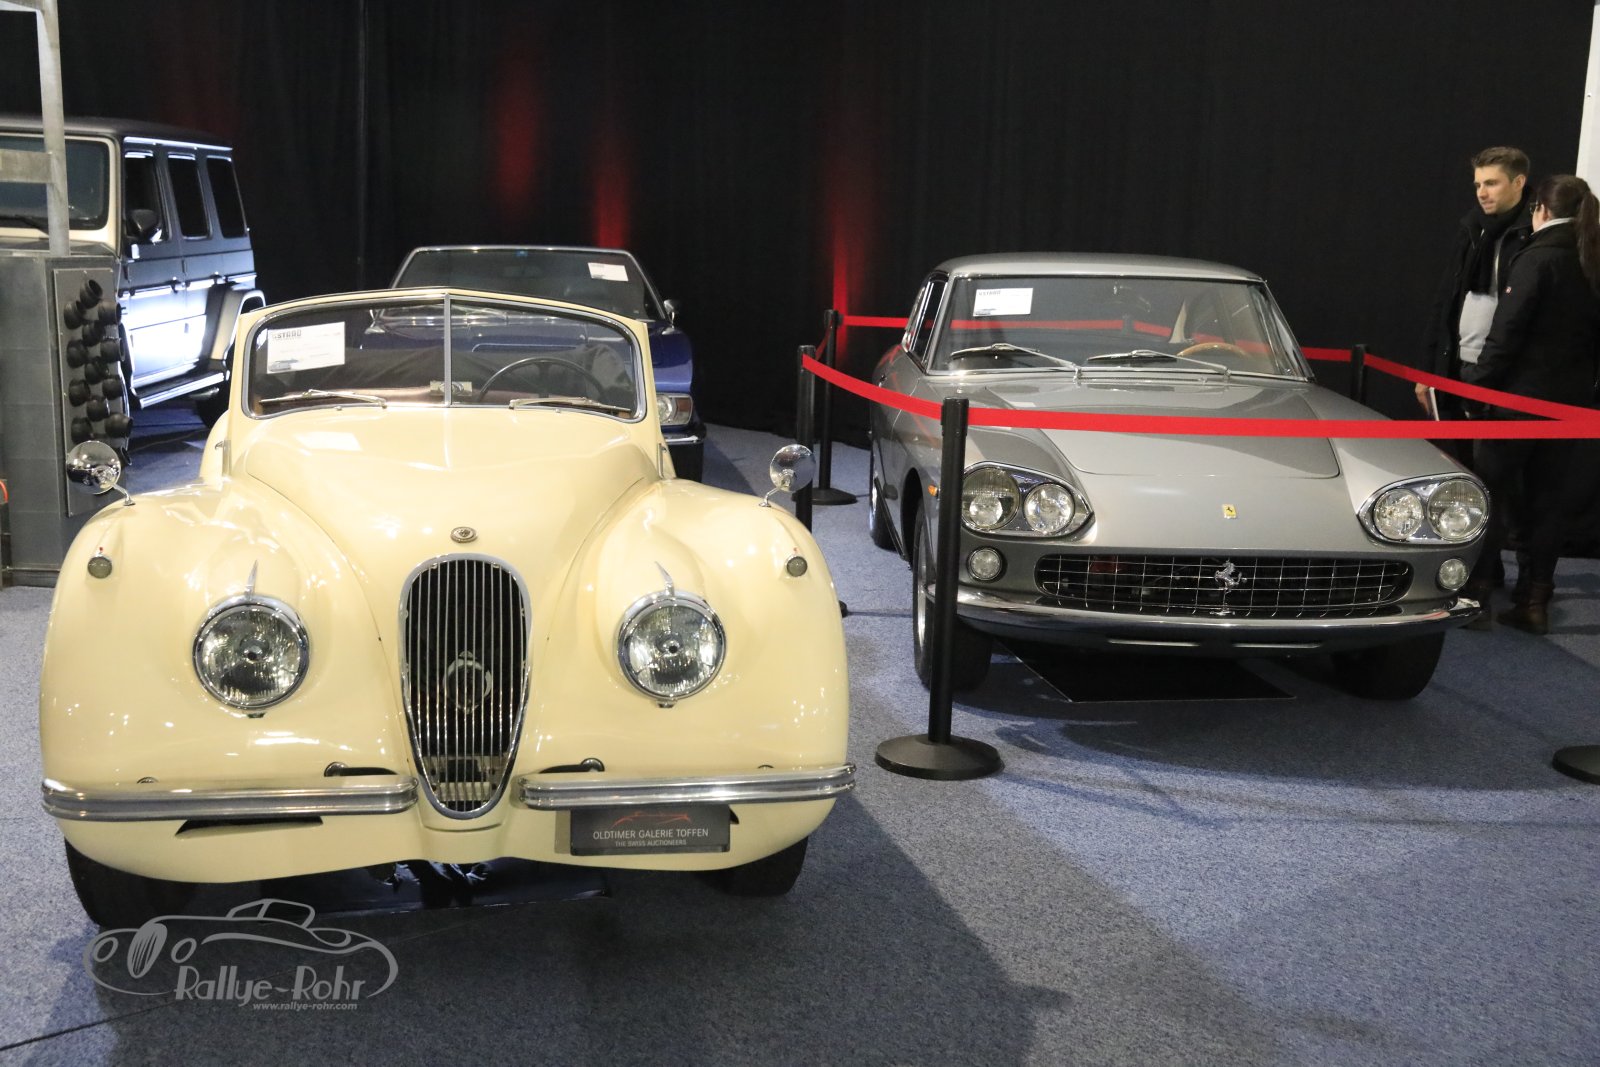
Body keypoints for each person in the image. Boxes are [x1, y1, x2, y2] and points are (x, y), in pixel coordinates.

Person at [1463, 174, 1600, 634]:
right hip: (1570, 405)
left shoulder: (1538, 257)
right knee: (1548, 502)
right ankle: (1534, 601)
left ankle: (1477, 596)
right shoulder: (1591, 257)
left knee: (1490, 494)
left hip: (1515, 401)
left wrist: (1478, 386)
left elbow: (1507, 333)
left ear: (1540, 208)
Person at [1419, 147, 1535, 430]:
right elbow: (1445, 300)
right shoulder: (1473, 227)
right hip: (1460, 364)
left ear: (1518, 182)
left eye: (1491, 183)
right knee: (1459, 453)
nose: (1482, 193)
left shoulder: (1534, 232)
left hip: (1507, 375)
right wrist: (1427, 372)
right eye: (1478, 185)